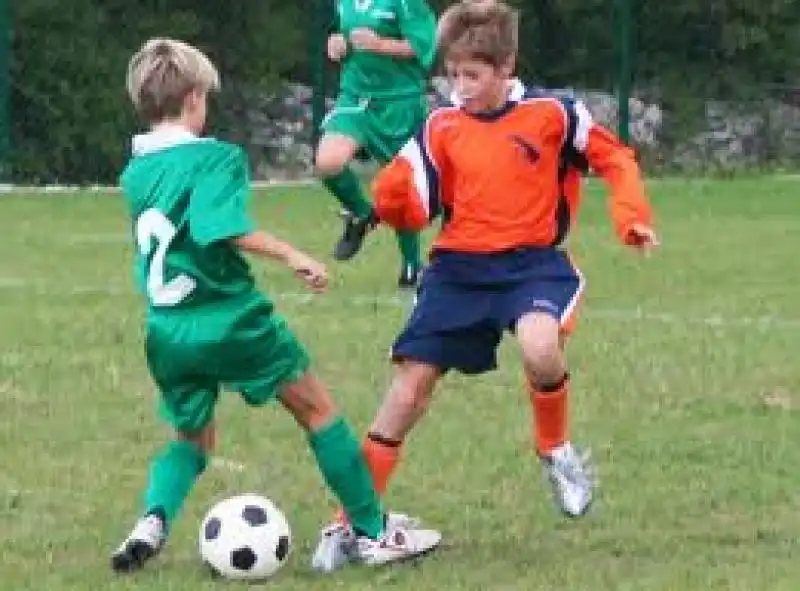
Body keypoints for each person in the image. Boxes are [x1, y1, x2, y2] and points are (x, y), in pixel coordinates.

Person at [312, 0, 659, 569]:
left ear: (506, 66)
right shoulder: (440, 125)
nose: (461, 87)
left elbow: (616, 159)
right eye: (453, 74)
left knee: (541, 348)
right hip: (458, 272)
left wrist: (631, 216)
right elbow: (409, 190)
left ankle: (555, 450)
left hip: (532, 265)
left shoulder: (554, 114)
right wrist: (392, 202)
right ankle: (352, 521)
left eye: (473, 75)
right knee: (407, 392)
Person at [111, 37, 440, 574]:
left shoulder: (136, 172)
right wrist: (292, 255)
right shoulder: (215, 158)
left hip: (167, 331)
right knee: (317, 411)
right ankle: (374, 532)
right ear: (194, 98)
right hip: (231, 320)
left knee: (192, 439)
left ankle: (152, 519)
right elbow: (221, 228)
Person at [316, 0, 437, 288]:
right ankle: (361, 214)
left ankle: (411, 266)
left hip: (400, 103)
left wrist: (381, 45)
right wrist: (336, 45)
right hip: (355, 98)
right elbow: (341, 34)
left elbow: (424, 48)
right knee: (328, 163)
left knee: (401, 187)